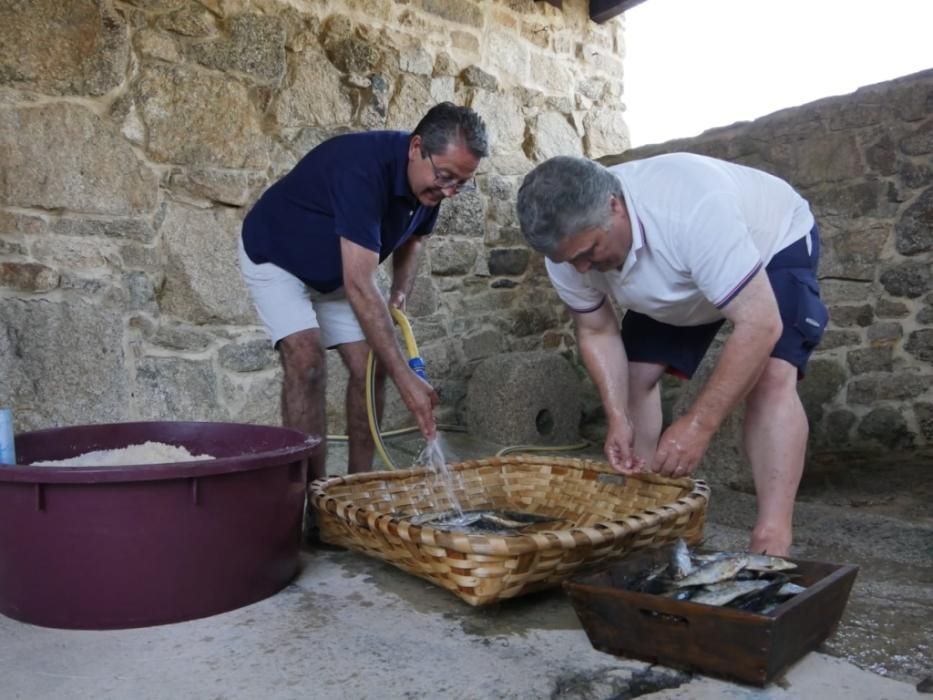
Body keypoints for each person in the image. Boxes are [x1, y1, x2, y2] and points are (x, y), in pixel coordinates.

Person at [516, 153, 828, 556]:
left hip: (770, 246)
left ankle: (772, 536)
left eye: (590, 251)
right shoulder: (568, 252)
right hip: (678, 273)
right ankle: (643, 514)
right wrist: (617, 417)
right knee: (633, 379)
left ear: (614, 205)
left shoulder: (691, 208)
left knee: (771, 379)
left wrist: (699, 424)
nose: (581, 269)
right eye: (568, 260)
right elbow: (596, 329)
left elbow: (761, 324)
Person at [239, 102, 488, 481]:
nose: (451, 190)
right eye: (446, 176)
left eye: (461, 183)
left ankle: (357, 490)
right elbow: (359, 283)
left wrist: (400, 293)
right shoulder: (362, 169)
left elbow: (414, 241)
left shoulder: (431, 188)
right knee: (306, 363)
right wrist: (407, 380)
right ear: (415, 146)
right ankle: (312, 497)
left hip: (337, 268)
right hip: (277, 257)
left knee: (370, 367)